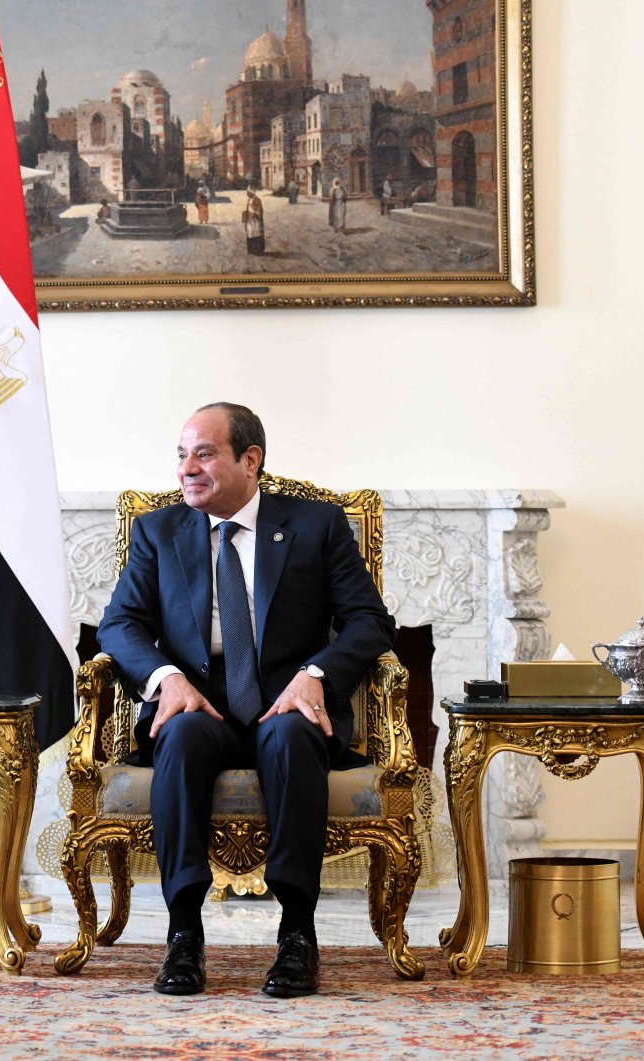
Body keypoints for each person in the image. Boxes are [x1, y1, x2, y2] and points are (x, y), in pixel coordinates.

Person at [97, 403, 395, 1000]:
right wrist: (164, 677)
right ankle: (183, 934)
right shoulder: (159, 531)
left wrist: (316, 674)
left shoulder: (316, 525)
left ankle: (297, 934)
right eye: (181, 455)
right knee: (175, 736)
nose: (187, 468)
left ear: (250, 459)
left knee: (291, 737)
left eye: (203, 453)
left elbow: (369, 621)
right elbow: (119, 625)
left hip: (284, 701)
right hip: (199, 705)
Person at [243, 190, 265, 255]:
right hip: (250, 221)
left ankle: (258, 251)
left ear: (252, 193)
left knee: (257, 235)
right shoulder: (249, 200)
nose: (247, 194)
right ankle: (251, 250)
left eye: (248, 192)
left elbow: (259, 211)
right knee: (250, 235)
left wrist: (254, 214)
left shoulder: (257, 200)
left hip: (256, 222)